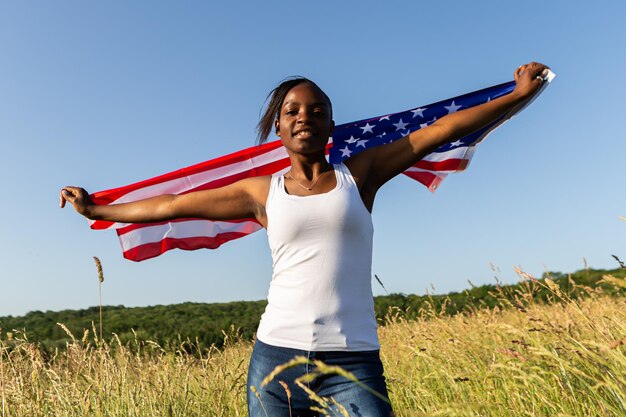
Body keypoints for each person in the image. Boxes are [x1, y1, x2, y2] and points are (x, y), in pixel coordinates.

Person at [61, 62, 549, 417]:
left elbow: (439, 130)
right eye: (292, 110)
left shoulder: (362, 174)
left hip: (354, 362)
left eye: (316, 110)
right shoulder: (261, 192)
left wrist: (517, 95)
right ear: (279, 127)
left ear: (330, 126)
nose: (304, 117)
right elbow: (173, 205)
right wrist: (97, 209)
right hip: (275, 359)